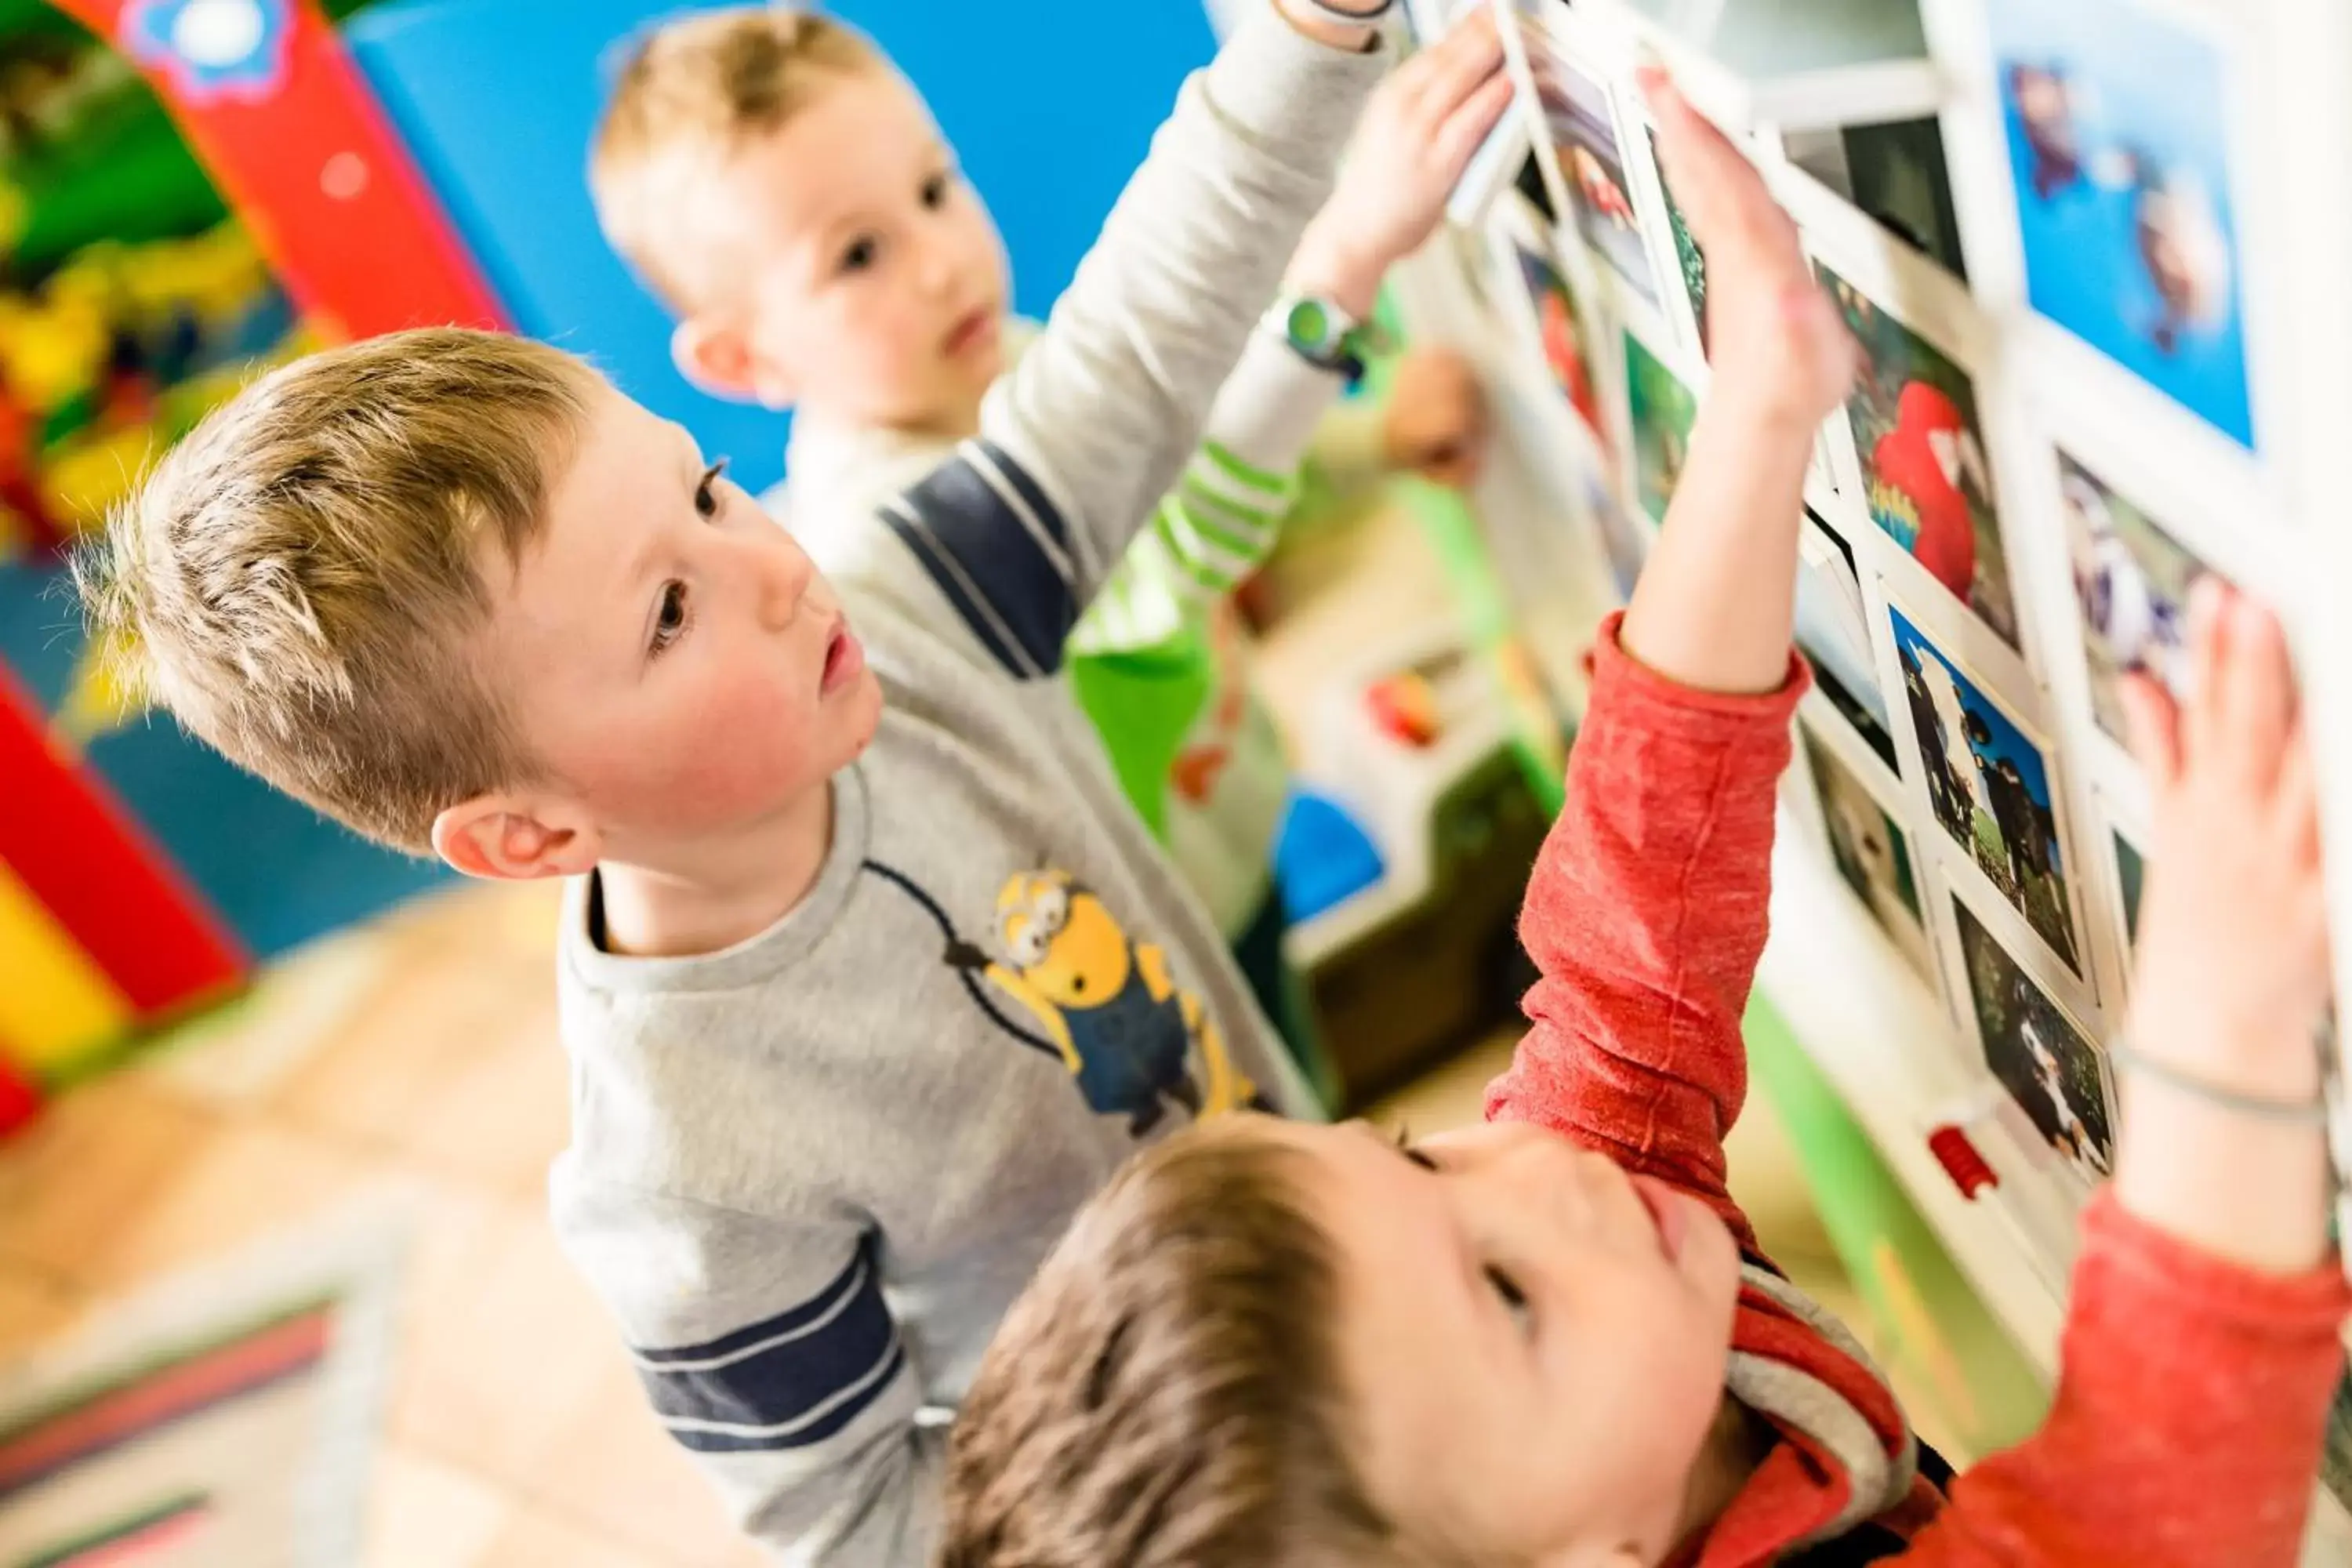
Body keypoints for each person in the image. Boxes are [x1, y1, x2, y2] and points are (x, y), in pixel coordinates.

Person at [74, 9, 1512, 1559]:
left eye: (705, 488)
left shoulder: (910, 611)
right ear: (536, 832)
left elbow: (1139, 351)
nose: (770, 566)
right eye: (670, 611)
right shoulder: (686, 1170)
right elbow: (850, 1518)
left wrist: (1305, 41)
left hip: (1362, 1299)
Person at [938, 74, 2350, 1568]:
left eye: (1420, 1157)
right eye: (1505, 1293)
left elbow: (1631, 955)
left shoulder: (1589, 1279)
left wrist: (1756, 412)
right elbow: (2142, 1509)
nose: (1536, 1172)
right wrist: (2225, 1037)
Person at [588, 5, 1496, 1095]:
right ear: (743, 360)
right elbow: (1178, 548)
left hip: (1230, 839)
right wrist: (1336, 271)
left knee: (1302, 1065)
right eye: (859, 255)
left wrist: (1369, 439)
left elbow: (1196, 457)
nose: (939, 264)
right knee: (1274, 1144)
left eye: (933, 189)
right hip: (1145, 933)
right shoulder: (896, 537)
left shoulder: (1007, 366)